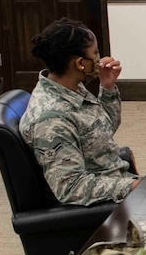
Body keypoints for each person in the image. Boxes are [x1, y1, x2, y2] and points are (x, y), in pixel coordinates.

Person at [21, 18, 138, 206]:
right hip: (105, 207)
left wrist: (107, 88)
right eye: (95, 53)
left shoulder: (70, 88)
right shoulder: (52, 119)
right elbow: (71, 187)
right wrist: (132, 187)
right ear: (80, 63)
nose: (100, 59)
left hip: (116, 180)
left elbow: (102, 131)